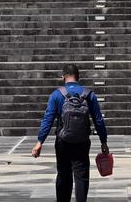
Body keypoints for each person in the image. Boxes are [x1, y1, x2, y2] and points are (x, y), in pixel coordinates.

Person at [31, 63, 109, 202]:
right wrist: (103, 141)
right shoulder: (88, 94)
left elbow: (48, 119)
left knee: (63, 175)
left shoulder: (56, 95)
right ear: (78, 77)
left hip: (63, 141)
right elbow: (98, 120)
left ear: (63, 77)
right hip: (82, 141)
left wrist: (39, 142)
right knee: (81, 176)